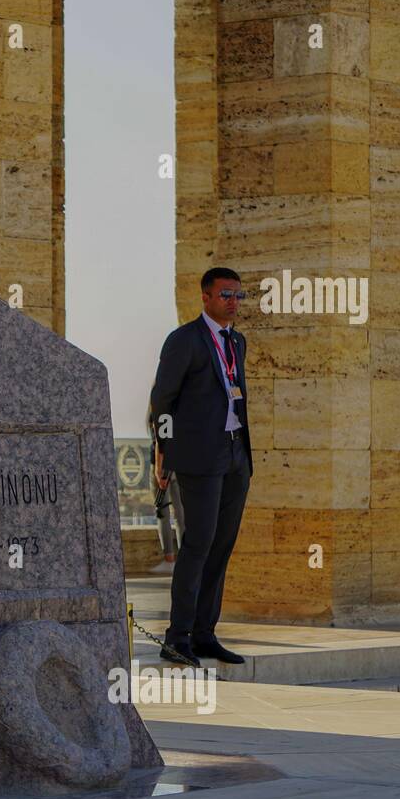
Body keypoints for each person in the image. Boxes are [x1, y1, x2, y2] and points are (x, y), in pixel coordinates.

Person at [149, 267, 252, 667]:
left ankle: (206, 634)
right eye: (226, 294)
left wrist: (242, 453)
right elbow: (162, 401)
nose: (233, 302)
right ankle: (177, 638)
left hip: (235, 455)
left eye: (238, 296)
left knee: (221, 547)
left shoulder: (237, 342)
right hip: (198, 460)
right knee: (198, 544)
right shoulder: (184, 341)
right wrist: (165, 453)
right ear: (206, 297)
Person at [148, 403, 185, 575]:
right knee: (180, 514)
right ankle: (184, 560)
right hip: (179, 463)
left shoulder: (161, 404)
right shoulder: (180, 405)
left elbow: (161, 441)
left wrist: (159, 469)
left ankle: (169, 559)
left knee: (162, 513)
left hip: (163, 465)